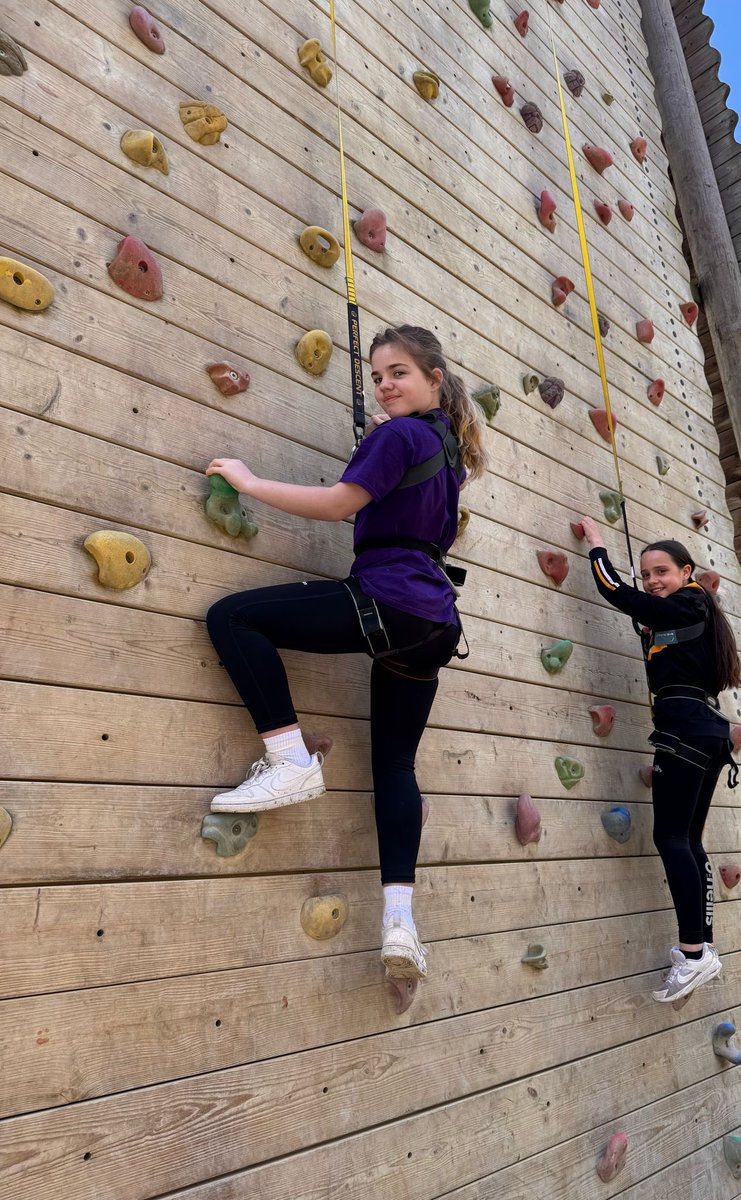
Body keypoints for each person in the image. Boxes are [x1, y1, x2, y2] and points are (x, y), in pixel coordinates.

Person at [204, 325, 487, 981]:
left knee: (233, 618)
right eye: (377, 374)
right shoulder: (446, 452)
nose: (385, 384)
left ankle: (290, 759)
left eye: (399, 373)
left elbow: (338, 505)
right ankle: (400, 925)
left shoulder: (399, 436)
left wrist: (248, 481)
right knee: (395, 769)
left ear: (434, 379)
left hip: (393, 601)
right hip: (433, 622)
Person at [580, 519, 741, 1003]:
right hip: (705, 730)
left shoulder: (690, 600)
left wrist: (597, 547)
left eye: (661, 572)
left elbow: (620, 594)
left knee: (670, 837)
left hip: (687, 731)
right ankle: (703, 948)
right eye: (646, 573)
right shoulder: (691, 615)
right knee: (688, 839)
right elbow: (653, 624)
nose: (652, 581)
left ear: (686, 572)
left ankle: (693, 954)